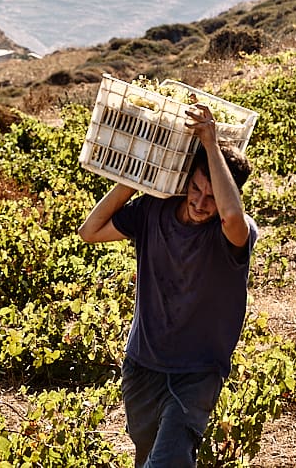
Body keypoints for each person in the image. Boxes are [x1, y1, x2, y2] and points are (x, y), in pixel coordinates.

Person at [78, 102, 258, 468]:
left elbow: (231, 214)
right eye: (195, 189)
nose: (200, 202)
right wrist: (136, 176)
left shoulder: (235, 234)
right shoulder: (152, 211)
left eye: (211, 195)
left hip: (198, 371)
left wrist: (210, 144)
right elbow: (90, 231)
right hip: (143, 363)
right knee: (147, 457)